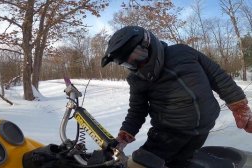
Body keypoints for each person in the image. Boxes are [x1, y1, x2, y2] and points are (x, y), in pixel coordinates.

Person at [101, 25, 252, 168]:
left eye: (138, 56)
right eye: (129, 64)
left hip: (202, 128)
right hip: (167, 134)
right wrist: (125, 135)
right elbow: (137, 110)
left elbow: (218, 77)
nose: (137, 65)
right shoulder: (137, 79)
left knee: (181, 161)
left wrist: (240, 107)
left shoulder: (183, 52)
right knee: (142, 162)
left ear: (149, 44)